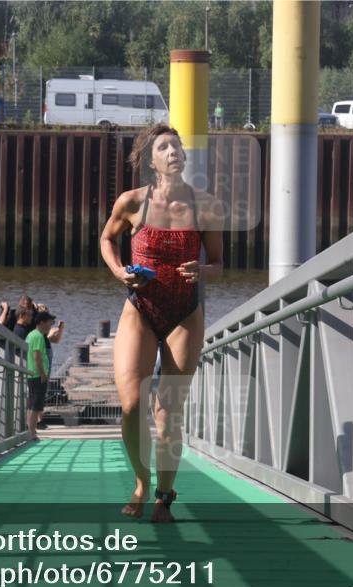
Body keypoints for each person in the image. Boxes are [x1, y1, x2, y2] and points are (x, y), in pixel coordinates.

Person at [100, 123, 223, 523]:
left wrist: (203, 269)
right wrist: (120, 271)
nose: (173, 152)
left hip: (184, 312)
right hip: (141, 307)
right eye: (164, 147)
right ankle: (140, 479)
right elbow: (107, 239)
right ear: (151, 161)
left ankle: (163, 497)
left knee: (168, 412)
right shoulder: (132, 202)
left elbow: (220, 266)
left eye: (177, 146)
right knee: (133, 403)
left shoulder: (206, 206)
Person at [26, 312, 56, 441]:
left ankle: (30, 431)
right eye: (50, 322)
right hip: (38, 374)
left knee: (32, 404)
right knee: (36, 406)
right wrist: (43, 374)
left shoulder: (31, 334)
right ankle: (32, 433)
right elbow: (37, 357)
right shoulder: (38, 337)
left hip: (32, 373)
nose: (51, 325)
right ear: (42, 322)